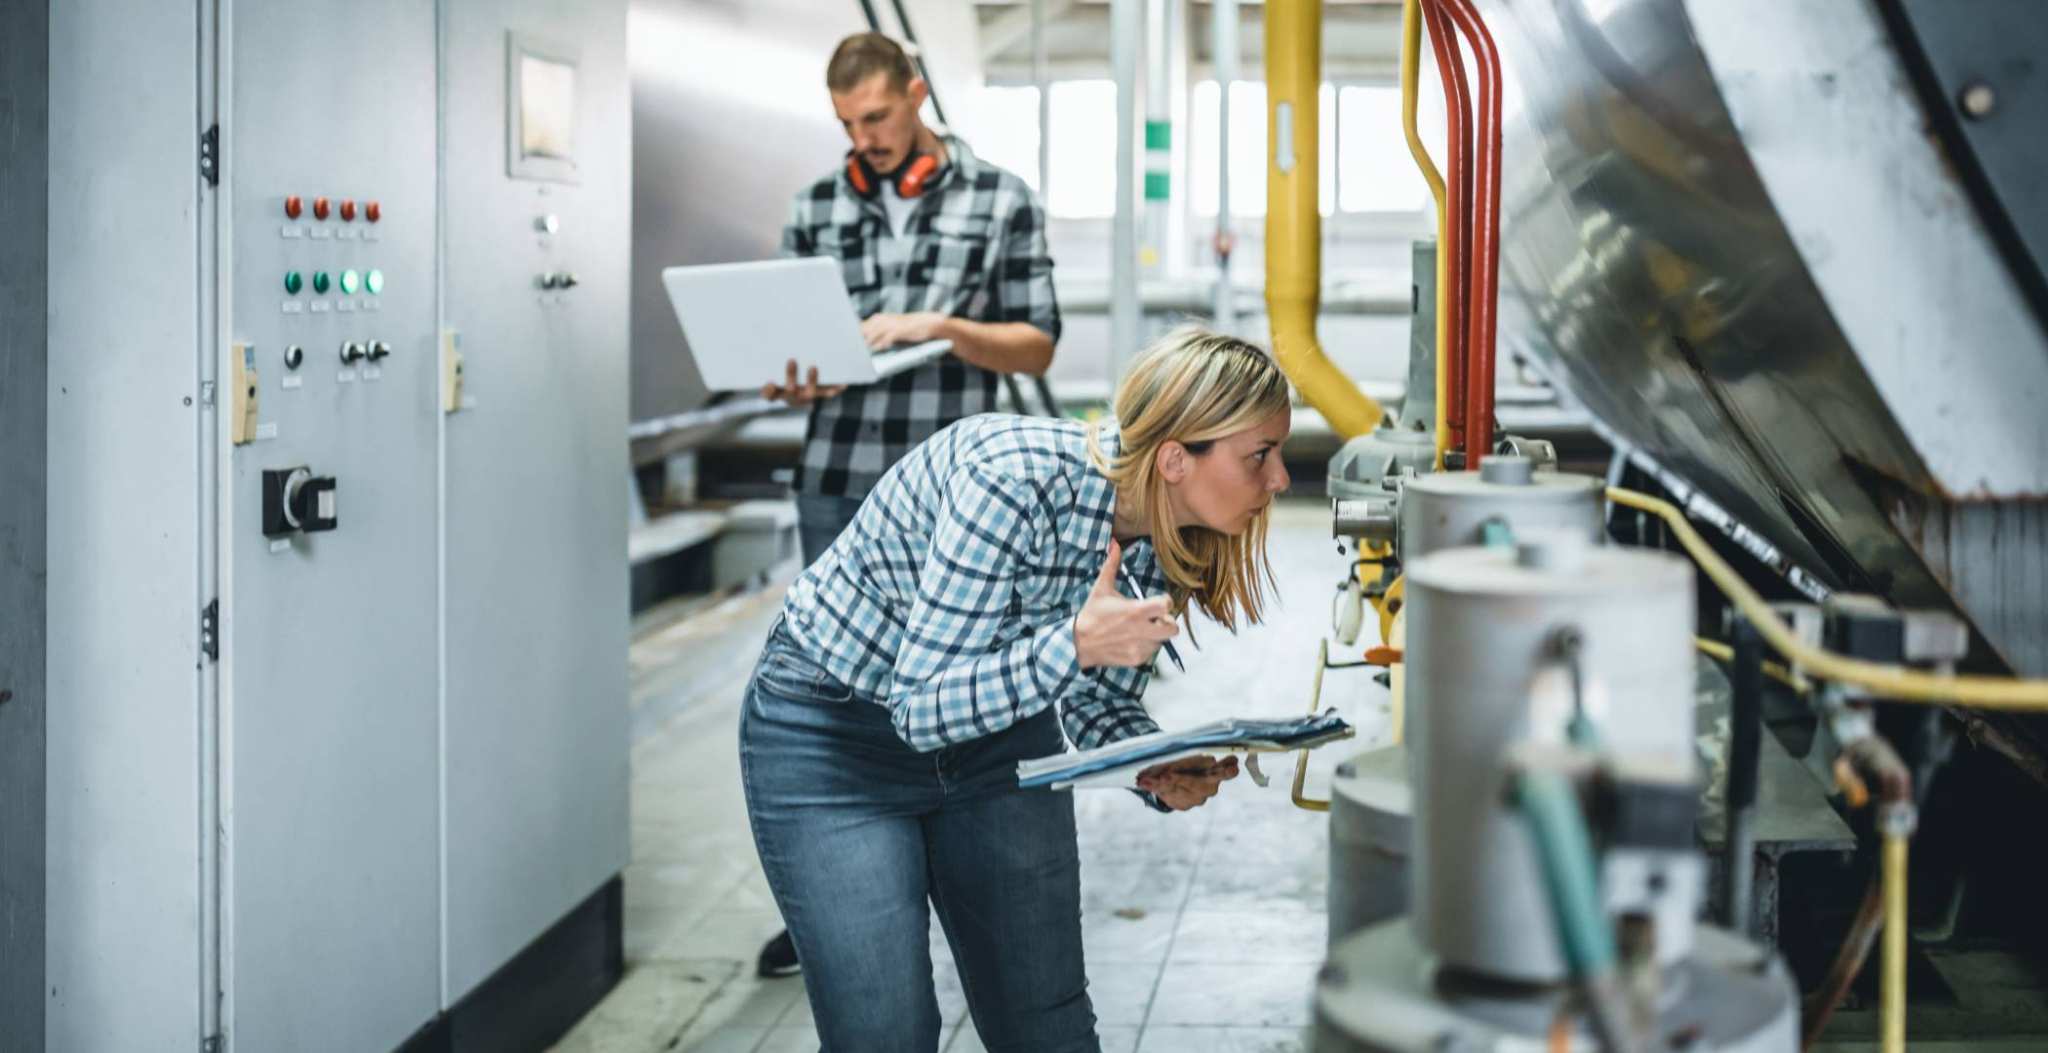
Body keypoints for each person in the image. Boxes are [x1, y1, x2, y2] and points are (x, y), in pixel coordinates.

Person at [740, 328, 1292, 1051]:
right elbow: (920, 706)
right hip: (835, 738)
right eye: (1260, 455)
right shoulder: (1010, 477)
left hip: (998, 739)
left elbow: (1094, 699)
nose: (1280, 478)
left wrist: (1152, 764)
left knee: (1048, 1026)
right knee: (885, 1035)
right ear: (1174, 458)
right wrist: (1074, 644)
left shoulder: (1165, 533)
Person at [753, 29, 1064, 979]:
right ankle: (848, 891)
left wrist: (942, 326)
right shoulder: (814, 208)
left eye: (879, 116)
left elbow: (1038, 345)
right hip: (839, 476)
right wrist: (790, 378)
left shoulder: (1000, 198)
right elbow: (785, 344)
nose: (867, 137)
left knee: (947, 682)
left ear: (917, 93)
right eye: (848, 123)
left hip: (949, 494)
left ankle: (959, 876)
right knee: (840, 687)